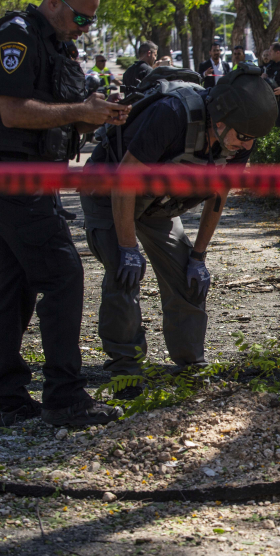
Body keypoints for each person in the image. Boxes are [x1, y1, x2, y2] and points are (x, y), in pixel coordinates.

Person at [80, 65, 278, 399]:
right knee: (123, 276)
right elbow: (123, 181)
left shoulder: (243, 134)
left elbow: (219, 195)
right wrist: (128, 247)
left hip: (158, 204)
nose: (247, 145)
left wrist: (198, 257)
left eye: (252, 139)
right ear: (220, 117)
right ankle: (126, 373)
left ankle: (190, 367)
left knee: (188, 279)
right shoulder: (170, 114)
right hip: (110, 193)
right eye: (243, 137)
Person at [0, 0, 129, 427]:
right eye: (80, 17)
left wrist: (97, 116)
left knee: (13, 284)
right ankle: (65, 396)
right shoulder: (17, 33)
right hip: (16, 178)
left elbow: (61, 120)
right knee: (63, 275)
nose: (85, 27)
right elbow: (12, 111)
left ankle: (6, 397)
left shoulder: (56, 45)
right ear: (53, 2)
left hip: (34, 178)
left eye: (92, 21)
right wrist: (78, 112)